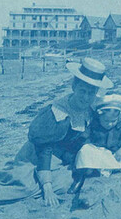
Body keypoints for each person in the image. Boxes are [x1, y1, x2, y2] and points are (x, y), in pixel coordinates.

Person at [14, 57, 114, 206]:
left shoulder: (90, 112)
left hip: (61, 158)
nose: (86, 97)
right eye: (82, 91)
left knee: (70, 180)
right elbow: (44, 151)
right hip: (36, 157)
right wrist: (47, 187)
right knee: (30, 187)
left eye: (91, 93)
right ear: (74, 86)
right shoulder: (58, 113)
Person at [69, 94, 121, 197]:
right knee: (85, 151)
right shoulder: (94, 125)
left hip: (117, 154)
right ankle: (80, 178)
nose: (110, 124)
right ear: (99, 116)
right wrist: (88, 145)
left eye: (113, 121)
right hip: (100, 154)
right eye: (106, 121)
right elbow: (83, 139)